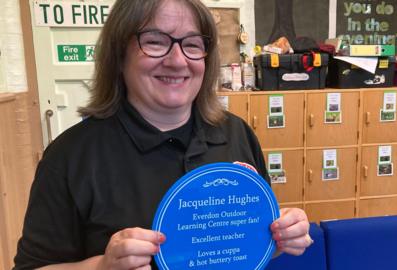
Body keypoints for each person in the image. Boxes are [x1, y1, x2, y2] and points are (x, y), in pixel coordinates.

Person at [14, 0, 312, 269]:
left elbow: (244, 245)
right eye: (155, 42)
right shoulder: (71, 156)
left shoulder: (237, 134)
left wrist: (281, 237)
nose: (177, 60)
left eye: (192, 45)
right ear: (119, 54)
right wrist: (101, 266)